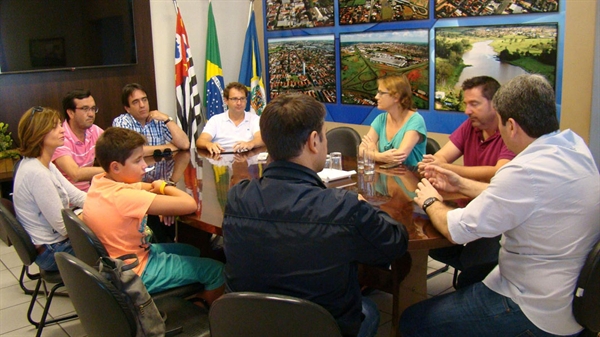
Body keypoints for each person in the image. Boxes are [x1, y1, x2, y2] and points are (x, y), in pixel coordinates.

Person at [401, 74, 600, 337]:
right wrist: (460, 183)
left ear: (512, 126)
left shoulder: (524, 170)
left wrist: (429, 200)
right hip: (572, 299)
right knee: (470, 280)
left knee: (413, 321)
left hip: (533, 308)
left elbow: (455, 229)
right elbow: (525, 197)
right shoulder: (575, 149)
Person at [223, 93, 409, 337]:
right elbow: (395, 243)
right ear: (313, 141)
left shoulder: (237, 198)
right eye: (324, 136)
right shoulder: (344, 207)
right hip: (323, 328)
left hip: (250, 326)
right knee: (370, 309)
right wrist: (366, 206)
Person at [83, 127, 225, 304]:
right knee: (217, 270)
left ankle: (187, 293)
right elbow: (189, 204)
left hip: (120, 261)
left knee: (193, 250)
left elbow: (147, 187)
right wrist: (164, 188)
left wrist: (159, 195)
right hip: (137, 271)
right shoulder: (125, 197)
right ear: (116, 167)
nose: (145, 165)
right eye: (137, 160)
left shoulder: (102, 181)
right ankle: (200, 307)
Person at [418, 76, 516, 288]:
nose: (467, 111)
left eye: (474, 104)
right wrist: (433, 164)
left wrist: (448, 169)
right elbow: (442, 157)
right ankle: (470, 273)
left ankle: (473, 279)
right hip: (465, 209)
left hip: (493, 218)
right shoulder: (470, 126)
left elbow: (499, 171)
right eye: (466, 104)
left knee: (474, 259)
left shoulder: (509, 132)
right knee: (428, 236)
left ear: (496, 104)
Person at [13, 106, 86, 271]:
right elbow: (64, 227)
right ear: (38, 134)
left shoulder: (43, 164)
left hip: (55, 243)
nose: (62, 130)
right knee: (112, 244)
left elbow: (77, 196)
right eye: (55, 127)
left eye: (60, 125)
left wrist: (102, 205)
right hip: (52, 251)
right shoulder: (37, 173)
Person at [360, 74, 426, 167]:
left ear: (396, 97)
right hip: (386, 176)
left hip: (410, 178)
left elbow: (399, 158)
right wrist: (379, 156)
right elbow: (361, 150)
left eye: (381, 93)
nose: (376, 97)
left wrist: (373, 152)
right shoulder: (381, 119)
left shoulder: (415, 120)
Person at [113, 83, 190, 157]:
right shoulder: (122, 122)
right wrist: (169, 147)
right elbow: (130, 152)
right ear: (127, 109)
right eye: (136, 102)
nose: (142, 105)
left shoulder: (158, 120)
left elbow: (185, 144)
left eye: (144, 100)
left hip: (161, 169)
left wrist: (167, 119)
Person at [51, 89, 104, 192]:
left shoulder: (94, 130)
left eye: (93, 109)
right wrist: (112, 171)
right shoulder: (60, 137)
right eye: (85, 109)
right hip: (68, 201)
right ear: (71, 113)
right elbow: (75, 174)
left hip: (88, 194)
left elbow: (119, 148)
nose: (91, 114)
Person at [196, 82, 263, 155]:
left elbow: (261, 139)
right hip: (221, 160)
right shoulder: (216, 120)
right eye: (234, 99)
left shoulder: (254, 119)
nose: (239, 103)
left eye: (242, 98)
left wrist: (250, 144)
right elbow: (201, 141)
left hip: (247, 158)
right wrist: (209, 144)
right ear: (226, 100)